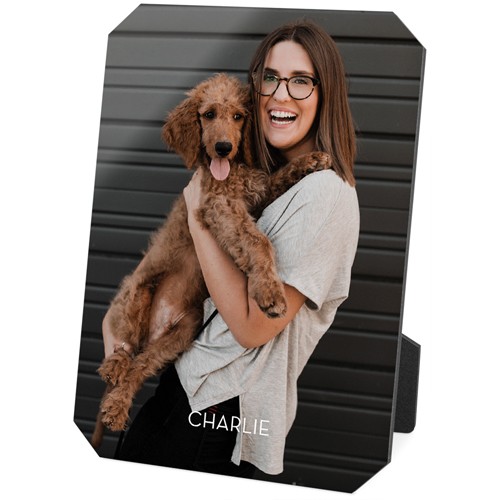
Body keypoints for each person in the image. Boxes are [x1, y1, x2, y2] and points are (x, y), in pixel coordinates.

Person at [103, 19, 360, 478]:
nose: (281, 94)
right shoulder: (260, 171)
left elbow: (252, 327)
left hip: (220, 415)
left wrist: (197, 211)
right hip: (183, 390)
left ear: (327, 94)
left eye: (301, 81)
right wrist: (122, 323)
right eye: (271, 78)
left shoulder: (327, 194)